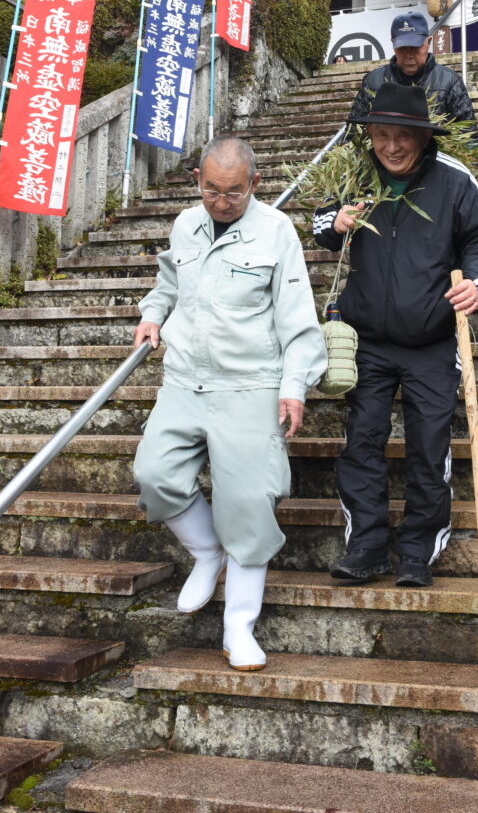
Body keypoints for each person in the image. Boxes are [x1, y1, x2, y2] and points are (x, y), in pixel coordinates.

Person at [132, 136, 327, 672]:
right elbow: (168, 282)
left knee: (248, 504)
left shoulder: (276, 231)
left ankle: (238, 626)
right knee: (155, 474)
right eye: (211, 190)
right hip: (185, 377)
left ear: (254, 185)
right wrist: (152, 314)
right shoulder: (185, 224)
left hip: (250, 383)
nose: (221, 202)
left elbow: (296, 314)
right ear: (198, 179)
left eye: (234, 193)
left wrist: (294, 385)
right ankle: (204, 551)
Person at [313, 84, 478, 587]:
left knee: (428, 445)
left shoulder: (454, 181)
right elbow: (317, 226)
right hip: (367, 340)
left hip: (433, 342)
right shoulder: (354, 176)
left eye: (402, 136)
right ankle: (368, 546)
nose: (391, 146)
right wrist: (335, 223)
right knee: (362, 443)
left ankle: (419, 550)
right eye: (380, 135)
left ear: (422, 137)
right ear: (369, 136)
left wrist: (477, 285)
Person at [348, 10, 478, 143]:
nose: (409, 55)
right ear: (392, 43)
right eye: (402, 48)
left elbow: (468, 136)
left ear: (429, 42)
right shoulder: (373, 81)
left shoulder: (450, 82)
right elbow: (353, 134)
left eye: (415, 48)